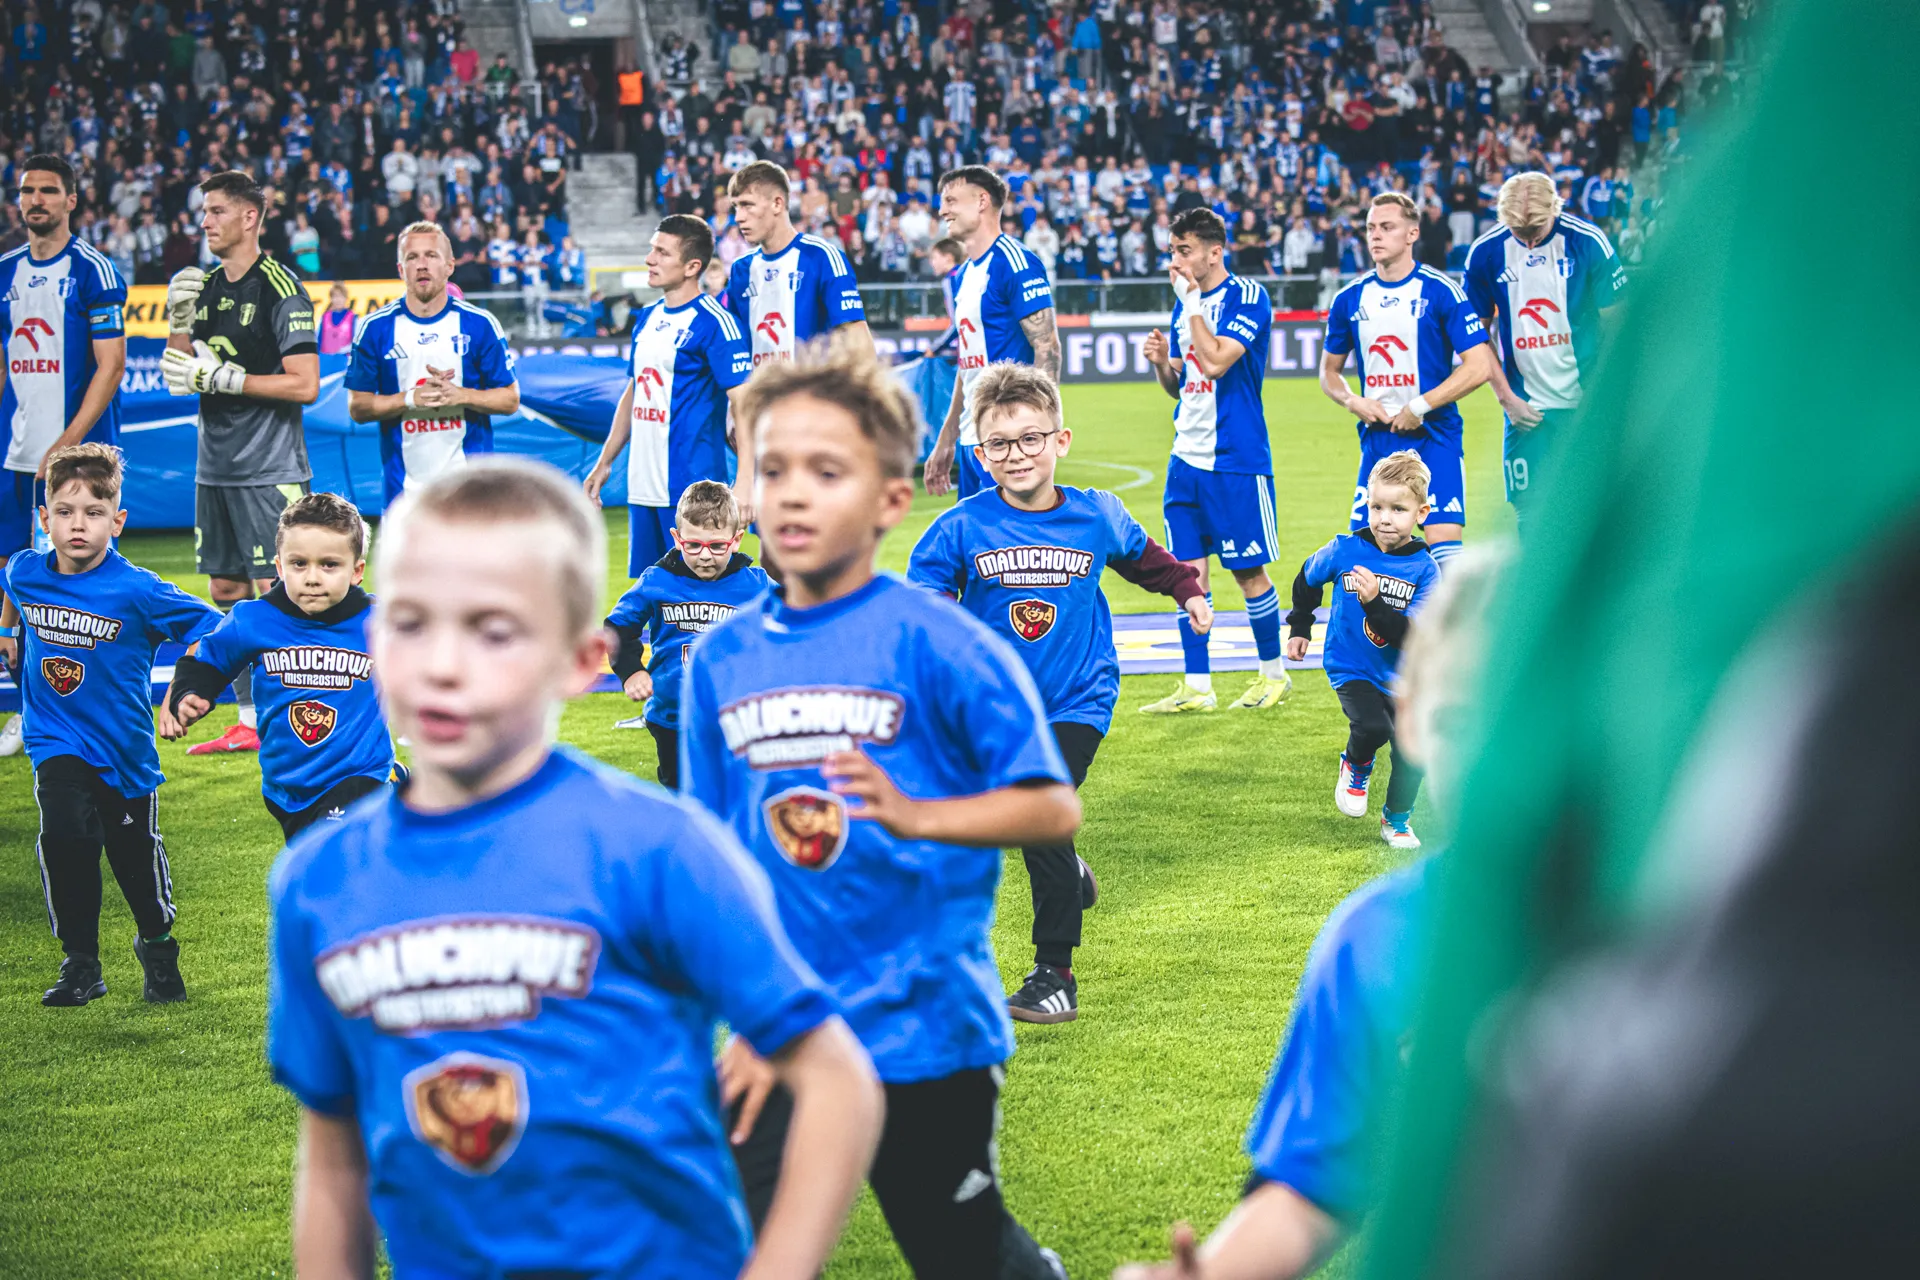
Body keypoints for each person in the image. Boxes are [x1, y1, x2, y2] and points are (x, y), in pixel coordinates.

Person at [267, 458, 884, 1279]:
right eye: (413, 621)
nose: (445, 663)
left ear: (582, 659)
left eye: (495, 630)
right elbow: (334, 1157)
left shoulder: (660, 849)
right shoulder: (317, 882)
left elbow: (837, 1078)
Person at [681, 345, 1081, 1278]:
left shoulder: (941, 642)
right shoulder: (720, 663)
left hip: (924, 1028)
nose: (792, 493)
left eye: (827, 472)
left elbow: (1052, 808)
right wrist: (750, 1015)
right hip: (785, 1028)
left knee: (961, 1253)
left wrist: (915, 815)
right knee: (733, 1252)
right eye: (772, 469)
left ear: (891, 500)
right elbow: (715, 866)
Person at [1114, 545, 1506, 1280]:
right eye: (1460, 722)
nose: (1493, 757)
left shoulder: (1690, 905)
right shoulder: (1378, 938)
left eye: (1518, 716)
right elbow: (1308, 1194)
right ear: (1413, 725)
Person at [908, 362, 1210, 1025]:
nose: (1017, 454)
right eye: (1000, 443)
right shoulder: (963, 526)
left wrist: (1188, 591)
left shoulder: (1096, 514)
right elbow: (925, 591)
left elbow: (1148, 562)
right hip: (994, 710)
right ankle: (1068, 875)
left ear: (1060, 441)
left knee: (1038, 808)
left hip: (1078, 698)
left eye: (1030, 438)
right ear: (980, 454)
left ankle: (1055, 974)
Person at [0, 444, 222, 1006]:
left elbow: (215, 629)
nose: (78, 525)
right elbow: (12, 586)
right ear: (44, 518)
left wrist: (184, 688)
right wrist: (7, 631)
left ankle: (158, 946)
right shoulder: (26, 571)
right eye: (65, 511)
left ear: (117, 521)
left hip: (123, 753)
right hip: (54, 738)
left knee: (135, 864)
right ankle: (81, 963)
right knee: (64, 837)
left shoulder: (138, 589)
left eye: (94, 513)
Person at [160, 170, 321, 756]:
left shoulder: (281, 287)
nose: (205, 222)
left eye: (217, 211)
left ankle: (302, 711)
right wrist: (179, 323)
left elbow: (305, 384)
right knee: (227, 586)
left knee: (281, 588)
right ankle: (250, 721)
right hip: (216, 465)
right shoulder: (202, 286)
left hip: (270, 467)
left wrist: (230, 379)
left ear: (250, 217)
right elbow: (178, 376)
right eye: (204, 211)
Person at [162, 493, 396, 839]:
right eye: (299, 564)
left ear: (356, 571)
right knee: (312, 858)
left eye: (329, 565)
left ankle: (393, 788)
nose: (312, 577)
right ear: (279, 567)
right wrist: (191, 691)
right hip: (286, 786)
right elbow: (209, 659)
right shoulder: (254, 619)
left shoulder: (382, 623)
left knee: (334, 855)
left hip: (359, 774)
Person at [0, 153, 129, 759]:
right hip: (16, 455)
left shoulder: (93, 270)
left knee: (81, 581)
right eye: (28, 191)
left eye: (49, 190)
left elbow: (111, 365)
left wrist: (67, 446)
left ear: (71, 200)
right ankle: (28, 708)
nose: (37, 200)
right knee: (14, 574)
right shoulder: (5, 272)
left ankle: (93, 710)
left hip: (79, 462)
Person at [1140, 207, 1289, 713]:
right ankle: (1197, 686)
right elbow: (1183, 383)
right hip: (1185, 459)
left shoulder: (1247, 296)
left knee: (1248, 574)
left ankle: (1273, 675)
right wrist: (1161, 364)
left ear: (1214, 252)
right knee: (1188, 576)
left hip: (1235, 459)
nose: (1175, 261)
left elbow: (1218, 360)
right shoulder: (1185, 305)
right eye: (1172, 251)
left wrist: (1192, 304)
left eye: (1184, 251)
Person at [1319, 192, 1494, 572]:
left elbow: (1479, 365)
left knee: (1445, 554)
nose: (1375, 235)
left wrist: (1420, 406)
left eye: (1387, 227)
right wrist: (1352, 401)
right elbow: (1329, 373)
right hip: (1378, 441)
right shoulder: (1349, 299)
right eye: (1370, 228)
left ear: (1412, 233)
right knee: (1367, 559)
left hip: (1435, 436)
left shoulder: (1440, 290)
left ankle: (1444, 615)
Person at [1284, 451, 1440, 849]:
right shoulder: (1345, 550)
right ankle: (1355, 765)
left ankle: (1397, 820)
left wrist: (1374, 602)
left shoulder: (1425, 570)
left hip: (1403, 676)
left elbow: (1411, 636)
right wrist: (1300, 625)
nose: (1385, 518)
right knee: (1373, 728)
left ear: (1421, 513)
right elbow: (1307, 578)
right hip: (1350, 664)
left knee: (1413, 750)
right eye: (1376, 507)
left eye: (1398, 509)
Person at [586, 216, 754, 575]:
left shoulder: (716, 322)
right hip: (642, 485)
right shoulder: (646, 318)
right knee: (652, 593)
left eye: (662, 252)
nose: (650, 259)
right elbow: (634, 391)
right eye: (652, 249)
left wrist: (745, 482)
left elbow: (745, 405)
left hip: (693, 488)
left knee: (698, 598)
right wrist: (605, 462)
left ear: (692, 266)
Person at [1462, 172, 1626, 521]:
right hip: (1526, 410)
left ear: (1555, 208)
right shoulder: (1485, 254)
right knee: (1530, 514)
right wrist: (1506, 398)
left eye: (1536, 231)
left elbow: (1620, 326)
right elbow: (1475, 337)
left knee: (1597, 513)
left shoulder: (1588, 242)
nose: (1529, 242)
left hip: (1586, 405)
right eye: (1518, 233)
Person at [605, 480, 771, 784]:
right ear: (677, 539)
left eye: (717, 546)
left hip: (736, 717)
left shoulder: (756, 585)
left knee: (735, 792)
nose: (705, 556)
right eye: (693, 545)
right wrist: (631, 672)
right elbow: (617, 626)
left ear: (736, 540)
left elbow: (798, 617)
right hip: (672, 719)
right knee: (682, 793)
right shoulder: (657, 581)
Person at [345, 222, 521, 502]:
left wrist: (461, 396)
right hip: (403, 499)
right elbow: (358, 407)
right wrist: (410, 399)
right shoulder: (374, 328)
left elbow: (510, 399)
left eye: (431, 255)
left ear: (449, 266)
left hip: (471, 496)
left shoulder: (480, 324)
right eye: (412, 257)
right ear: (401, 269)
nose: (422, 265)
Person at [922, 166, 1060, 502]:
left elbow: (1048, 348)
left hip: (1007, 443)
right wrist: (948, 437)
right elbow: (967, 363)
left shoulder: (1015, 261)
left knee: (1013, 537)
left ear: (982, 201)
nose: (942, 211)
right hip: (972, 441)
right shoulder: (962, 275)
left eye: (951, 200)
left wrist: (1039, 434)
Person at [723, 160, 874, 366]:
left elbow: (857, 338)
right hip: (760, 386)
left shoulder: (822, 257)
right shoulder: (740, 270)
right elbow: (734, 348)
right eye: (736, 207)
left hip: (811, 385)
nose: (739, 217)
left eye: (747, 205)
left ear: (777, 204)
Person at [317, 282, 356, 355]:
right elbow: (318, 341)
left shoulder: (353, 317)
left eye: (341, 296)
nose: (338, 300)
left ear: (346, 298)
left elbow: (356, 342)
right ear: (331, 299)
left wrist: (345, 350)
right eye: (335, 296)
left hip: (345, 359)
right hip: (326, 359)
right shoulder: (324, 317)